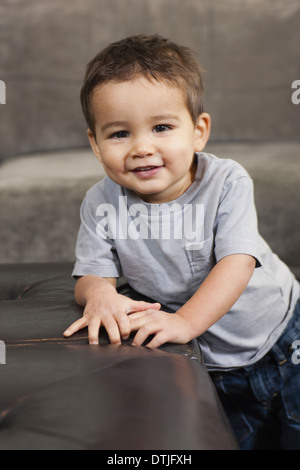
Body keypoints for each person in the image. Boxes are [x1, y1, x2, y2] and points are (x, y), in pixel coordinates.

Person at [63, 34, 300, 450]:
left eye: (161, 127)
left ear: (198, 131)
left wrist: (184, 322)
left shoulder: (226, 181)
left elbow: (238, 261)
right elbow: (91, 272)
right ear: (95, 145)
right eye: (119, 134)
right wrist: (100, 294)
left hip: (282, 334)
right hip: (211, 365)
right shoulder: (101, 201)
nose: (141, 147)